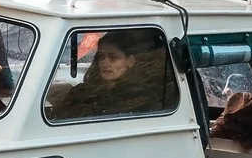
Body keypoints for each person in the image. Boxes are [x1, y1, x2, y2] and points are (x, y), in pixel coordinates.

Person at [48, 28, 178, 120]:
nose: (105, 63)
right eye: (101, 57)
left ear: (130, 61)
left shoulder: (139, 96)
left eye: (113, 57)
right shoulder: (84, 90)